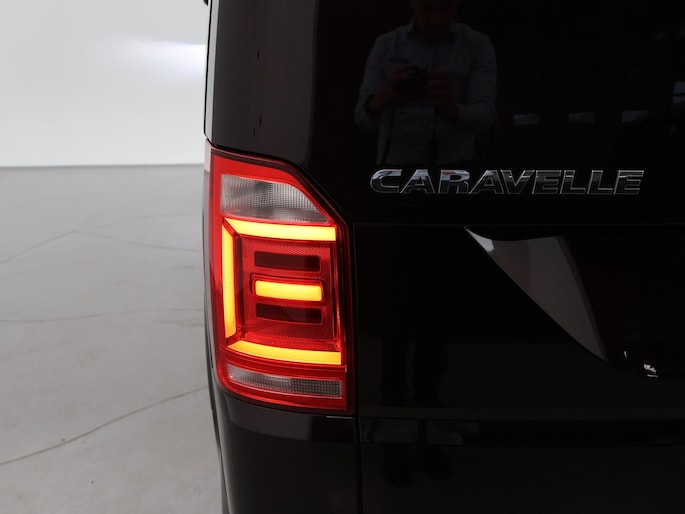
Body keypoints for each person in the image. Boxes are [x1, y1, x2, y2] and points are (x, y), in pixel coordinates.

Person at [354, 0, 497, 168]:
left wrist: (452, 110)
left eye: (445, 8)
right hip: (397, 165)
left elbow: (486, 116)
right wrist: (379, 101)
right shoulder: (385, 46)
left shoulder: (477, 45)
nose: (436, 19)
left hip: (454, 164)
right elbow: (361, 119)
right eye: (427, 8)